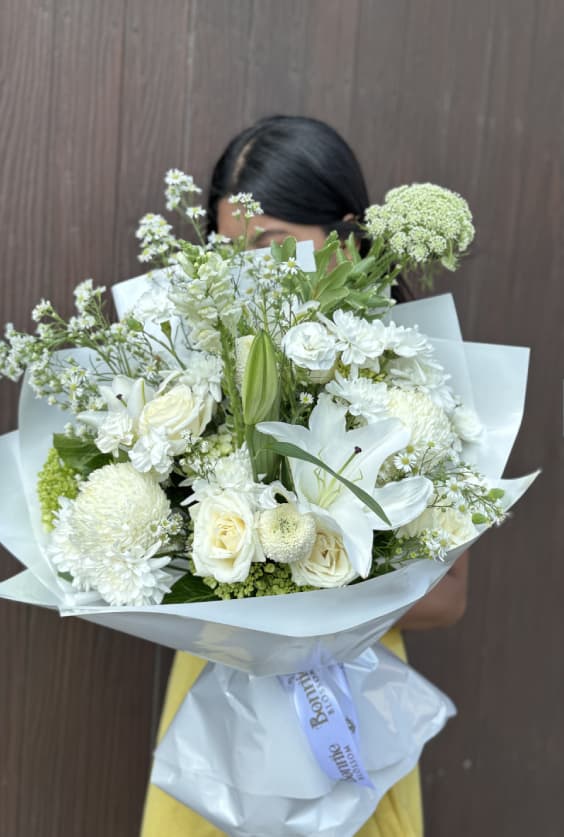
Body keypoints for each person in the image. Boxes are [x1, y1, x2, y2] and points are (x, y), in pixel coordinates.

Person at [141, 115, 469, 837]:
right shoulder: (189, 370)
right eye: (230, 253)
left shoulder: (410, 384)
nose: (248, 272)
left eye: (270, 246)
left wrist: (301, 586)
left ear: (346, 235)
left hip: (352, 708)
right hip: (216, 708)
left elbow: (448, 598)